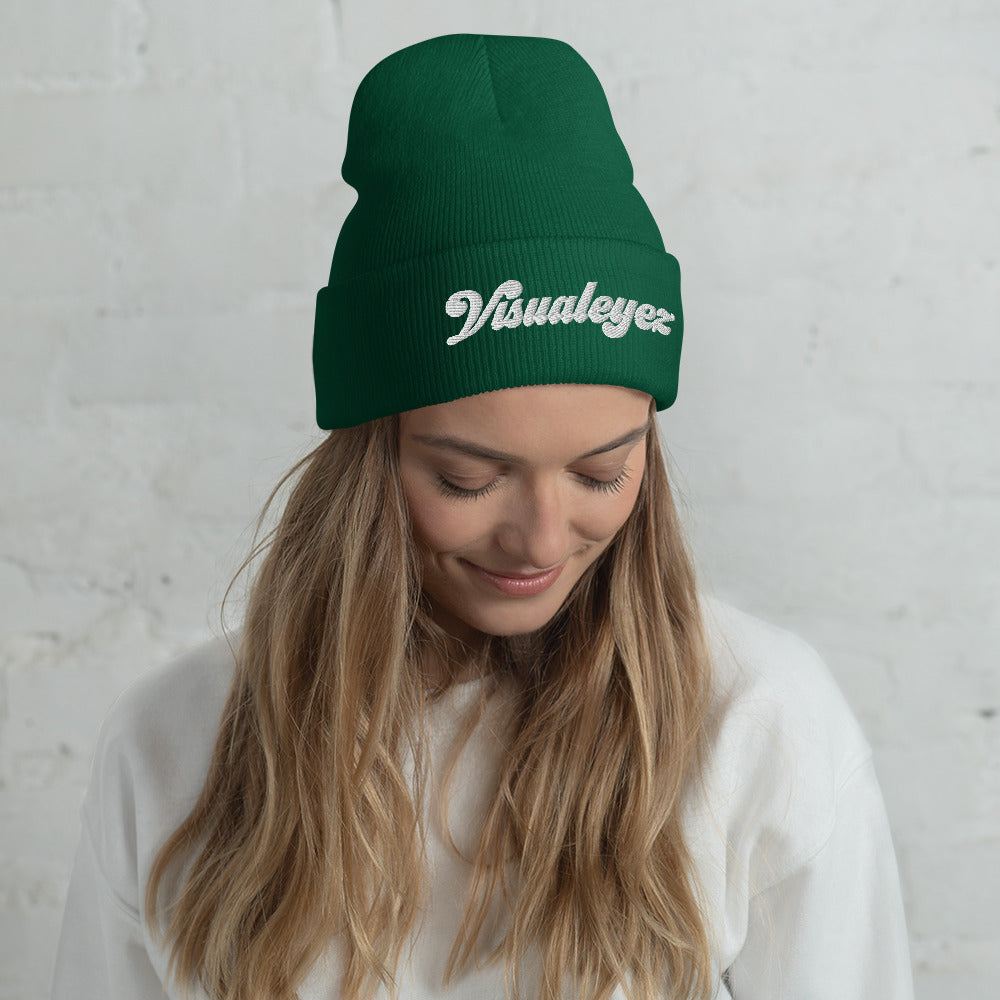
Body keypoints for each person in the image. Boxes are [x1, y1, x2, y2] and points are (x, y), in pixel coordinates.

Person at [51, 33, 915, 1000]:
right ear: (369, 460)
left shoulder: (760, 725)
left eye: (601, 473)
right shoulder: (171, 746)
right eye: (468, 479)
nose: (541, 539)